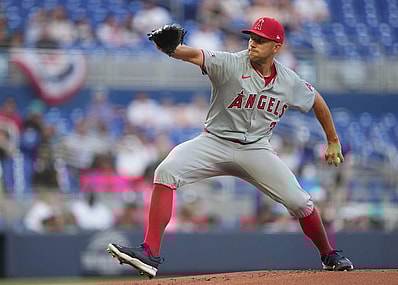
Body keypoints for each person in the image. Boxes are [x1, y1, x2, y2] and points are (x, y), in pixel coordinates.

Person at [108, 17, 353, 278]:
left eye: (261, 40)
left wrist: (333, 140)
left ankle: (328, 254)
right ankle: (150, 254)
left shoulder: (289, 81)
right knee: (166, 171)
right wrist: (170, 49)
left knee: (301, 202)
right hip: (214, 141)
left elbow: (316, 100)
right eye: (252, 38)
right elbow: (193, 55)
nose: (253, 43)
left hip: (256, 149)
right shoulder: (230, 62)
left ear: (276, 46)